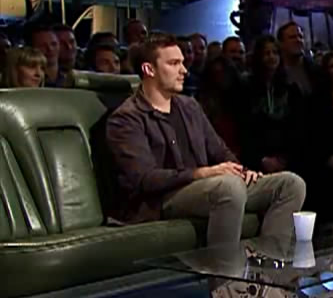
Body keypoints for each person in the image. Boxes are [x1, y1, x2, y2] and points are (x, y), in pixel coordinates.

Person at [106, 32, 308, 246]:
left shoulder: (189, 106)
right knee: (228, 187)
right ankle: (224, 268)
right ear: (149, 69)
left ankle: (269, 260)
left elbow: (219, 150)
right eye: (174, 63)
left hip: (205, 187)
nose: (184, 70)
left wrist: (243, 172)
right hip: (161, 198)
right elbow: (145, 179)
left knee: (290, 184)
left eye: (182, 62)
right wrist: (201, 173)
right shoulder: (126, 118)